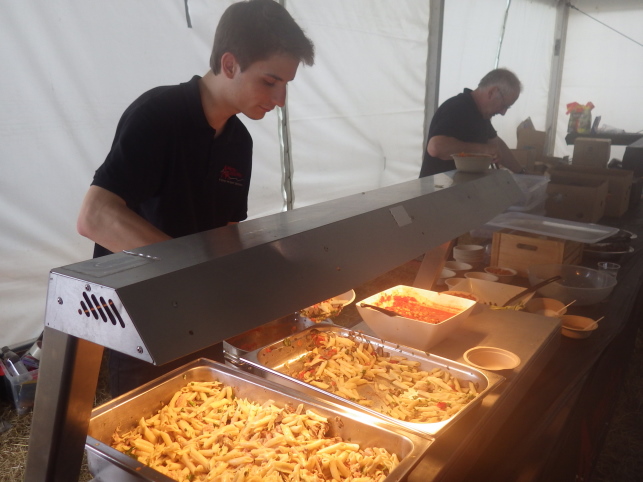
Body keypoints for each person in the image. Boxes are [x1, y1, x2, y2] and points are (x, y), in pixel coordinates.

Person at [76, 0, 315, 397]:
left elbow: (226, 232)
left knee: (204, 414)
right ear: (229, 64)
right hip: (142, 320)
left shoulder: (239, 142)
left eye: (286, 84)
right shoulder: (158, 115)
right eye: (270, 81)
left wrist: (262, 281)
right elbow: (95, 216)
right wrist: (193, 274)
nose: (280, 100)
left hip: (201, 314)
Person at [419, 68, 525, 177]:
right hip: (438, 186)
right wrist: (482, 149)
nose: (503, 112)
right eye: (504, 105)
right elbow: (436, 147)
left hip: (459, 185)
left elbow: (496, 144)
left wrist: (522, 173)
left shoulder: (481, 113)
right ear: (492, 92)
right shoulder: (458, 107)